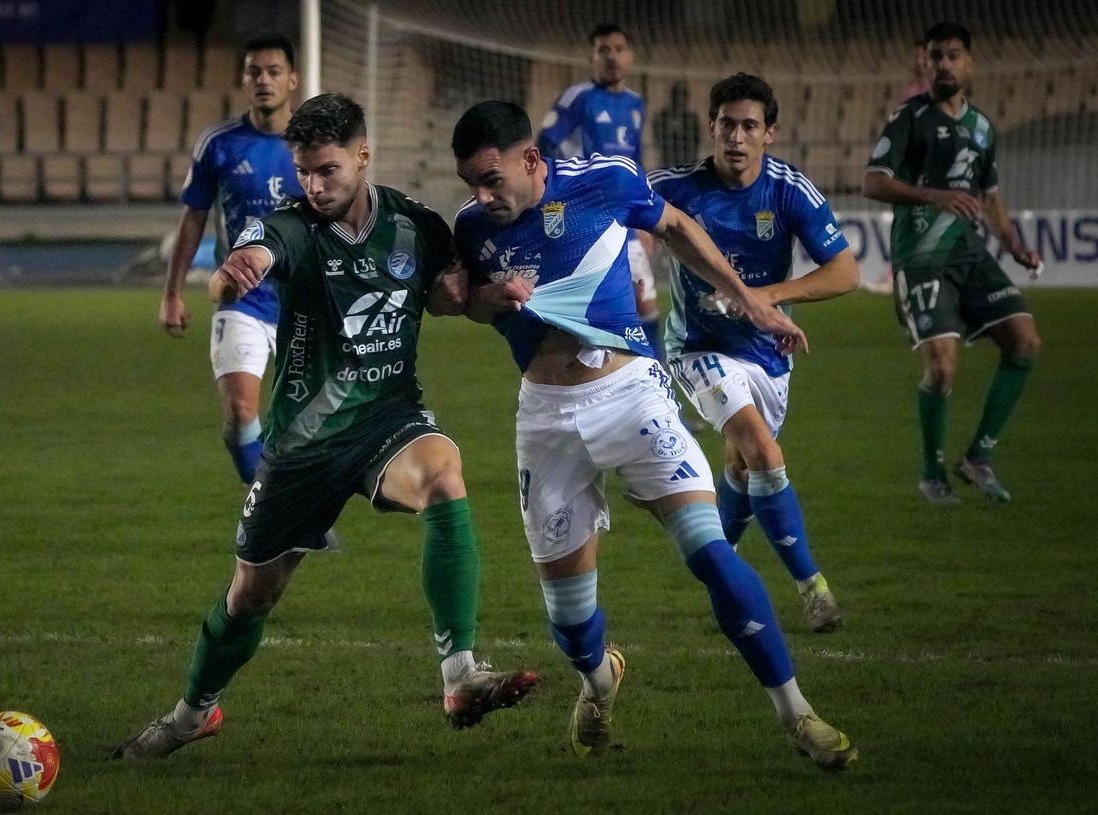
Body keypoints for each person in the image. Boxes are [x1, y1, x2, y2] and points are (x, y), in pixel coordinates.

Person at [114, 93, 537, 760]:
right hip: (304, 442)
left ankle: (460, 674)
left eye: (328, 170)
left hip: (388, 415)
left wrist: (483, 296)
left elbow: (448, 301)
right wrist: (230, 278)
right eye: (305, 171)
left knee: (444, 474)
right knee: (252, 593)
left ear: (364, 157)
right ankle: (192, 713)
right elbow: (238, 270)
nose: (314, 185)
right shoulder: (289, 227)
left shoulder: (416, 226)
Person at [450, 100, 856, 770]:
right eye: (471, 183)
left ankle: (798, 712)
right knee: (572, 624)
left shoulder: (604, 180)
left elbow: (676, 226)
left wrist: (753, 298)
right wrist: (483, 301)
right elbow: (457, 298)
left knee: (712, 555)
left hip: (631, 396)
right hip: (545, 420)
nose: (481, 196)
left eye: (492, 179)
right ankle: (599, 677)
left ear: (530, 159)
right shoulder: (471, 227)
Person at [649, 74, 859, 633]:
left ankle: (723, 566)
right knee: (762, 451)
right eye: (727, 125)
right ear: (711, 127)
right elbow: (613, 212)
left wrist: (769, 298)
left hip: (767, 353)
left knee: (742, 465)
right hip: (698, 350)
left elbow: (845, 270)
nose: (736, 137)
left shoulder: (790, 190)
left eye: (749, 126)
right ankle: (813, 589)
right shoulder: (676, 188)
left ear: (770, 133)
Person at [862, 21, 1042, 505]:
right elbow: (872, 181)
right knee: (942, 369)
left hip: (969, 252)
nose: (943, 64)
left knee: (1024, 342)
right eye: (936, 56)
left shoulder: (983, 126)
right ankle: (931, 474)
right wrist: (934, 195)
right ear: (927, 63)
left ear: (969, 63)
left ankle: (978, 457)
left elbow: (991, 196)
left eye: (953, 55)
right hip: (921, 256)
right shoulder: (909, 118)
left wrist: (1015, 243)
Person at [158, 33, 303, 485]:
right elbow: (193, 218)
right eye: (254, 71)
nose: (264, 80)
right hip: (244, 298)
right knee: (242, 412)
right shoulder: (219, 144)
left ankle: (294, 509)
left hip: (306, 300)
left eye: (274, 71)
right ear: (243, 80)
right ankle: (269, 510)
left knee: (311, 424)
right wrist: (172, 293)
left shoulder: (316, 145)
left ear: (292, 80)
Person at [535, 22, 660, 357]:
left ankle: (655, 383)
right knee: (601, 305)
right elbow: (545, 143)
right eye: (603, 50)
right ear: (592, 57)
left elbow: (635, 161)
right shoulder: (579, 98)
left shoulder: (636, 103)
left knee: (645, 302)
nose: (612, 57)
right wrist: (567, 191)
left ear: (630, 56)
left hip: (624, 214)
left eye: (619, 49)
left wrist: (644, 221)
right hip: (588, 213)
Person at [651, 81, 703, 168]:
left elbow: (696, 140)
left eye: (682, 96)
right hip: (668, 161)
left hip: (688, 162)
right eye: (677, 95)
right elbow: (658, 138)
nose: (679, 99)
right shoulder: (663, 116)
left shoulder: (691, 118)